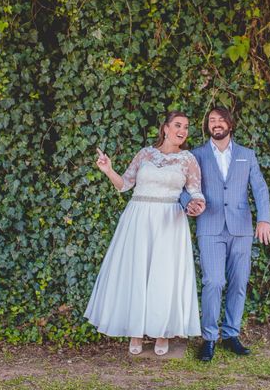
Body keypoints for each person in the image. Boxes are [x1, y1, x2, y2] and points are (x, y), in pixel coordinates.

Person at [84, 111, 205, 356]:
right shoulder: (145, 154)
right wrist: (108, 170)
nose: (183, 130)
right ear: (166, 128)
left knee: (164, 275)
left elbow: (196, 192)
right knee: (136, 271)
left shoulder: (188, 159)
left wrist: (197, 205)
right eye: (178, 125)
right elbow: (125, 184)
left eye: (187, 127)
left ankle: (162, 333)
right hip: (138, 218)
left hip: (170, 220)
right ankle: (136, 331)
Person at [181, 106, 270, 362]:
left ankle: (232, 333)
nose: (216, 124)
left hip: (241, 228)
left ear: (230, 124)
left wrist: (264, 219)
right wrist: (186, 202)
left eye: (221, 120)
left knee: (239, 282)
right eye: (212, 120)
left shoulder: (247, 155)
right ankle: (209, 338)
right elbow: (181, 185)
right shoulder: (196, 155)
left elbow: (260, 188)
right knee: (214, 282)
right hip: (209, 227)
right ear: (208, 126)